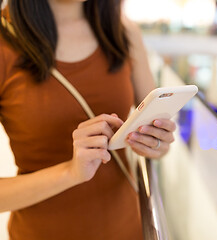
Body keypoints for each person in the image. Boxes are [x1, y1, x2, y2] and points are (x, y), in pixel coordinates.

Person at [0, 0, 176, 239]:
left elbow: (157, 137)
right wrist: (70, 172)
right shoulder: (5, 41)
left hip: (128, 228)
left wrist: (156, 143)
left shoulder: (122, 32)